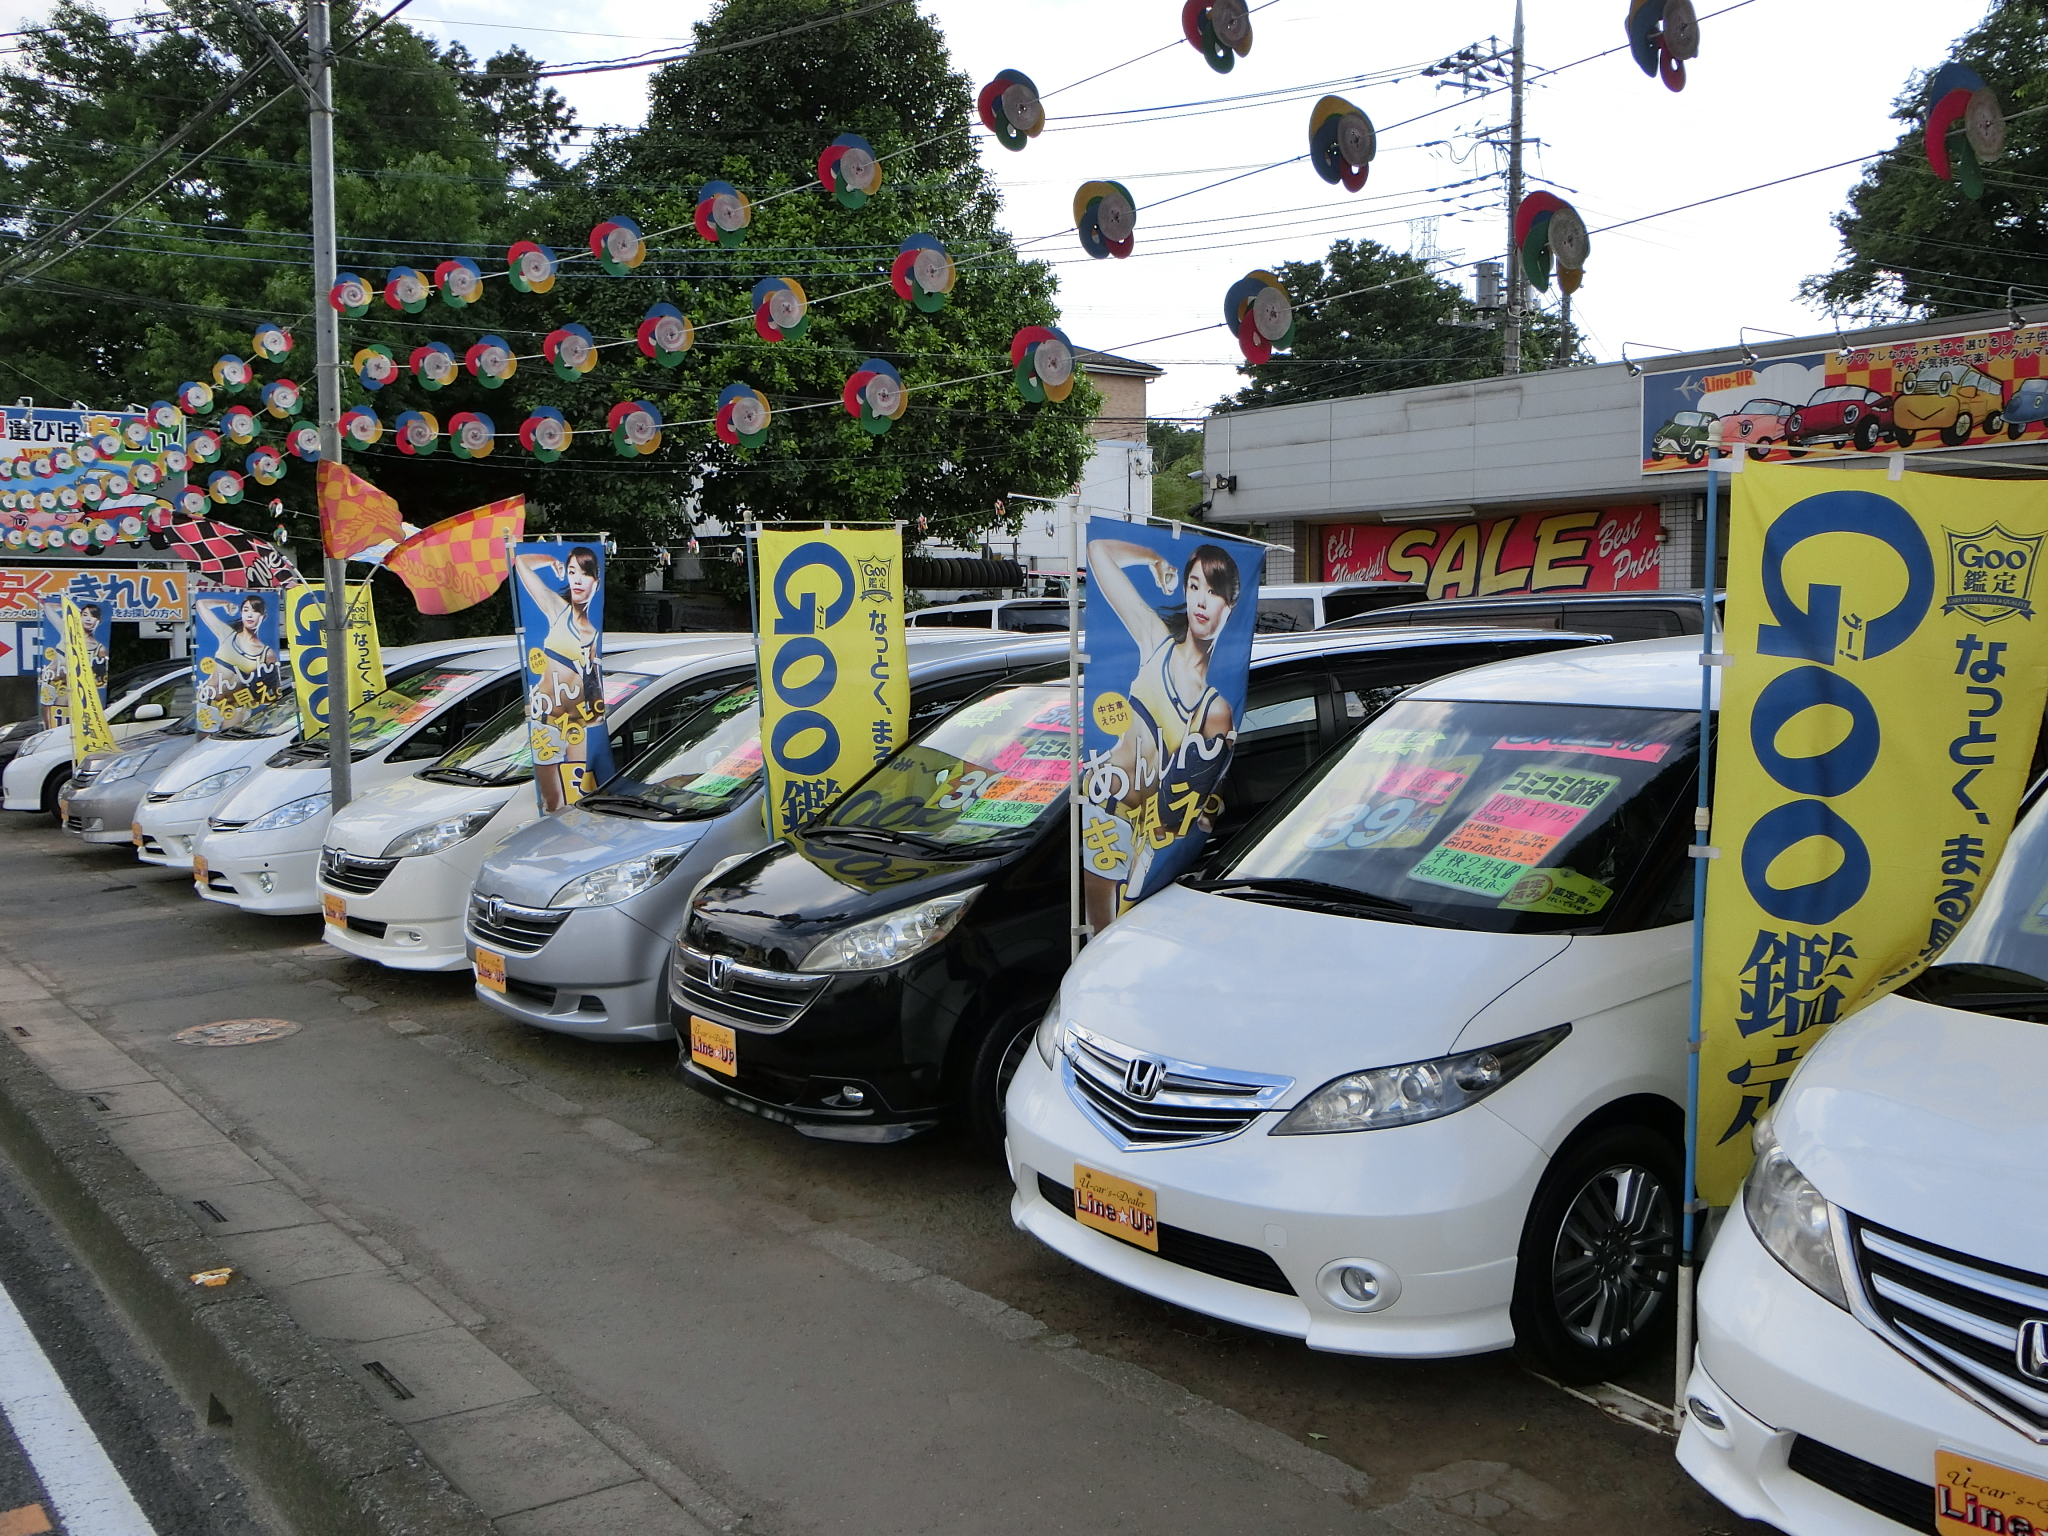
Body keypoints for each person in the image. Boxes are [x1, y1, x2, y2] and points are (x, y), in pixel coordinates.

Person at [1082, 538, 1242, 931]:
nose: (1202, 600)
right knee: (1098, 941)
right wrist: (1152, 558)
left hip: (1146, 837)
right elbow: (1098, 551)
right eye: (1194, 586)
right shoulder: (1156, 641)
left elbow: (1201, 807)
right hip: (1102, 803)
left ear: (1230, 606)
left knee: (1114, 944)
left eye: (1214, 591)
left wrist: (1198, 815)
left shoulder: (1216, 709)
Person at [515, 546, 603, 813]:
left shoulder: (596, 632)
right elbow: (519, 561)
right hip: (547, 722)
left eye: (584, 573)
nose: (576, 580)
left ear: (595, 582)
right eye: (572, 571)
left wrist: (597, 716)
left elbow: (593, 682)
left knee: (577, 805)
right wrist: (550, 560)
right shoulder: (558, 609)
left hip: (577, 727)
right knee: (553, 803)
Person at [194, 593, 280, 730]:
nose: (250, 615)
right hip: (207, 703)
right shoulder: (227, 634)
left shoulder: (267, 653)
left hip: (235, 708)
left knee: (225, 746)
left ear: (263, 616)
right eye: (246, 610)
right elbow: (200, 604)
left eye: (255, 610)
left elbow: (273, 689)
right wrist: (224, 603)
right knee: (205, 748)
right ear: (241, 613)